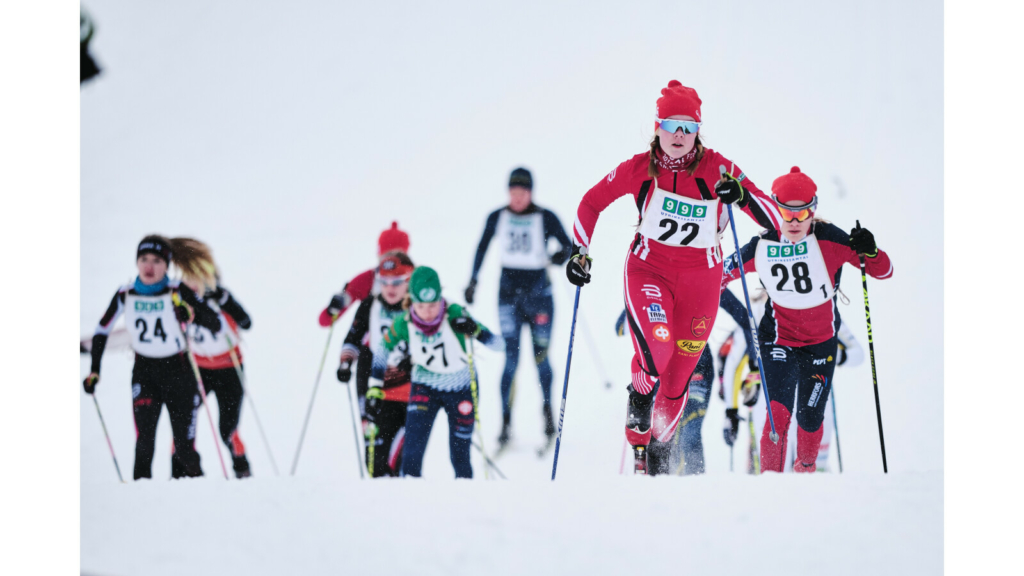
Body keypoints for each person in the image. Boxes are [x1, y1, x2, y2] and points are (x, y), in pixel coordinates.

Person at [565, 80, 783, 473]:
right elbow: (590, 202)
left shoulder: (719, 167)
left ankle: (658, 455)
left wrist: (742, 196)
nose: (680, 135)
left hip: (701, 284)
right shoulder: (639, 168)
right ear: (657, 128)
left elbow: (775, 223)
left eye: (688, 126)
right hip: (650, 271)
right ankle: (638, 413)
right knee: (658, 352)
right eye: (671, 125)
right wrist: (579, 253)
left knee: (678, 382)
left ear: (699, 130)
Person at [722, 166, 893, 473]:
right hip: (778, 340)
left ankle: (806, 481)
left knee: (811, 419)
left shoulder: (829, 239)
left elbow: (882, 270)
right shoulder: (761, 245)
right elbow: (715, 275)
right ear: (775, 209)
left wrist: (871, 248)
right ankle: (771, 484)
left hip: (820, 345)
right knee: (777, 414)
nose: (795, 222)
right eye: (787, 214)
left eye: (803, 213)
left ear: (814, 210)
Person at [83, 235, 221, 480]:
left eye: (156, 261)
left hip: (180, 374)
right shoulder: (125, 294)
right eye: (144, 259)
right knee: (144, 443)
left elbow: (214, 322)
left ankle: (201, 492)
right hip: (145, 373)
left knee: (184, 450)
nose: (149, 266)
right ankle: (138, 503)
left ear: (167, 265)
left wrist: (190, 314)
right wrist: (95, 369)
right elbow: (102, 331)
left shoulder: (178, 290)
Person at [464, 167, 572, 450]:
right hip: (508, 299)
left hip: (540, 298)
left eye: (523, 191)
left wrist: (562, 256)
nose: (518, 197)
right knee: (510, 360)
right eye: (513, 191)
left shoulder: (544, 216)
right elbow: (482, 247)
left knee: (541, 358)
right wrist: (473, 280)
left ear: (531, 192)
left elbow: (570, 247)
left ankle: (548, 416)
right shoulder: (498, 216)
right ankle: (506, 424)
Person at [373, 267, 503, 478]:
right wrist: (374, 386)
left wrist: (475, 330)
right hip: (425, 386)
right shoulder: (404, 323)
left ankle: (467, 502)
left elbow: (499, 345)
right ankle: (411, 503)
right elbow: (381, 350)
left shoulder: (454, 313)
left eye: (433, 305)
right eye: (421, 306)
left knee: (459, 456)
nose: (428, 312)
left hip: (461, 387)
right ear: (411, 302)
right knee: (412, 456)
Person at [170, 238, 254, 479]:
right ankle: (179, 475)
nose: (192, 284)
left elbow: (247, 322)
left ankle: (243, 472)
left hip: (230, 371)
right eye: (187, 278)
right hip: (199, 371)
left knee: (227, 429)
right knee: (184, 424)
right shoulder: (180, 301)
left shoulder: (220, 297)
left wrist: (224, 300)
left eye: (197, 278)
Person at [336, 253, 415, 477]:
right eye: (384, 281)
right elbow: (353, 337)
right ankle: (377, 502)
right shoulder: (370, 304)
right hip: (373, 386)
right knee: (374, 459)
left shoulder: (419, 307)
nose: (390, 288)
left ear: (409, 281)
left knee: (402, 460)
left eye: (397, 282)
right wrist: (345, 363)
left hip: (406, 389)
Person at [318, 221, 411, 405]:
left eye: (397, 256)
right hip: (370, 357)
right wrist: (333, 307)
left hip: (405, 360)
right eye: (386, 256)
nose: (390, 263)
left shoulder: (414, 278)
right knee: (371, 427)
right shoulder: (367, 280)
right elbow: (325, 320)